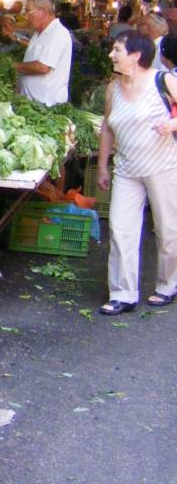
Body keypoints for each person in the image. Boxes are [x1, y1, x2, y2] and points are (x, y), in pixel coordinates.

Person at [96, 30, 177, 315]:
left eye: (117, 50)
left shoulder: (162, 80)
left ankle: (168, 284)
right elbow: (107, 127)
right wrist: (103, 166)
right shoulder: (113, 88)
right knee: (120, 229)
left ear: (135, 56)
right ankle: (123, 293)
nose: (111, 55)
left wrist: (171, 125)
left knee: (167, 230)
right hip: (126, 169)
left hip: (163, 167)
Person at [16, 0, 72, 105]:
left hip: (46, 104)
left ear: (43, 12)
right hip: (31, 102)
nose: (26, 17)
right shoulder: (38, 33)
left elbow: (43, 67)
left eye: (28, 12)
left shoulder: (58, 33)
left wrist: (13, 66)